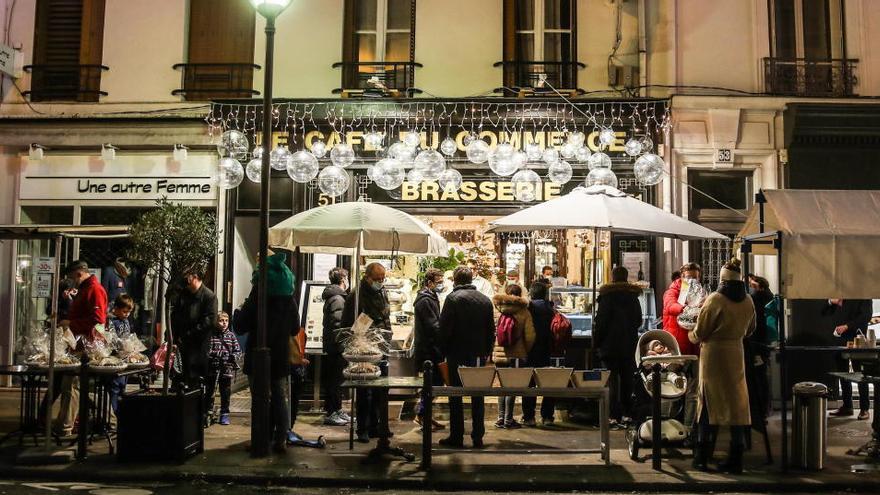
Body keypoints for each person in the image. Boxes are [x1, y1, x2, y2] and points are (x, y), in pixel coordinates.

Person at [688, 259, 756, 474]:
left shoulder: (715, 299)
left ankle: (701, 456)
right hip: (736, 354)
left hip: (714, 355)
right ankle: (736, 458)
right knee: (736, 406)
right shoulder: (747, 301)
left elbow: (700, 331)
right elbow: (751, 328)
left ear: (722, 278)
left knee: (708, 403)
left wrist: (691, 334)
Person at [237, 252, 300, 453]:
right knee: (280, 396)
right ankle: (280, 438)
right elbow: (295, 328)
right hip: (281, 353)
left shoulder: (258, 293)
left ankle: (261, 438)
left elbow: (240, 325)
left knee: (260, 397)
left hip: (258, 353)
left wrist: (238, 312)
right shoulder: (288, 295)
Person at [438, 266, 495, 448]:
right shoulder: (485, 300)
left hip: (456, 352)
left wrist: (443, 351)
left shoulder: (452, 299)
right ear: (471, 280)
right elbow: (490, 330)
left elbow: (445, 329)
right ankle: (478, 436)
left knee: (455, 394)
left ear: (455, 280)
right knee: (477, 395)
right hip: (478, 354)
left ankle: (457, 435)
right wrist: (486, 352)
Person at [54, 260, 108, 436]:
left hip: (86, 346)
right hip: (81, 344)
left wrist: (71, 323)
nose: (71, 281)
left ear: (78, 273)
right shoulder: (88, 289)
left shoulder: (94, 289)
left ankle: (65, 426)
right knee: (80, 386)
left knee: (72, 385)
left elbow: (98, 320)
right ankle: (110, 420)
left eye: (71, 277)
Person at [341, 262, 392, 443]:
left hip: (381, 347)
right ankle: (362, 428)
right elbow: (348, 324)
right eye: (377, 279)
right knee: (365, 390)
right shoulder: (357, 295)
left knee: (380, 389)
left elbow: (385, 316)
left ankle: (376, 426)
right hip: (364, 350)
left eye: (383, 278)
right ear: (367, 277)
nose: (381, 281)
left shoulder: (381, 291)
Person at [593, 265, 643, 425]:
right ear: (626, 277)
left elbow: (601, 322)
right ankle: (627, 413)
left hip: (609, 345)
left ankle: (613, 415)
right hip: (629, 344)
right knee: (628, 379)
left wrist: (597, 342)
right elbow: (638, 320)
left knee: (612, 380)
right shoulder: (633, 296)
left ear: (612, 277)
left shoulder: (607, 297)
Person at [663, 262, 702, 435]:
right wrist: (686, 308)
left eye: (695, 277)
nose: (692, 280)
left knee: (692, 393)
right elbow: (670, 306)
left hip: (694, 349)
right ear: (682, 276)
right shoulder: (673, 291)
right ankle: (669, 425)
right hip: (676, 349)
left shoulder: (701, 293)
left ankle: (688, 429)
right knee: (674, 389)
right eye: (689, 277)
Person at [492, 284, 535, 429]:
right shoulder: (524, 311)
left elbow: (491, 332)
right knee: (512, 386)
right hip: (517, 355)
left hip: (499, 354)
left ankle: (500, 417)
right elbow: (530, 336)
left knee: (501, 386)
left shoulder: (496, 310)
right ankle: (508, 419)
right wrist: (525, 350)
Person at [169, 269, 218, 392]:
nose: (185, 281)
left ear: (195, 277)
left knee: (194, 378)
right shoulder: (184, 294)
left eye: (188, 278)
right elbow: (175, 316)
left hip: (198, 345)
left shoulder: (209, 296)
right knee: (180, 375)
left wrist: (190, 333)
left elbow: (209, 321)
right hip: (183, 342)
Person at [826, 298, 873, 419]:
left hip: (857, 338)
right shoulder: (842, 292)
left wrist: (847, 326)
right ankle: (847, 406)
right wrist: (831, 301)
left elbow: (866, 316)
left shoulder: (863, 293)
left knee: (861, 374)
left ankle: (864, 408)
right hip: (840, 337)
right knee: (843, 373)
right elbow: (829, 309)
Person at [412, 268, 446, 431]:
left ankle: (425, 415)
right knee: (431, 384)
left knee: (434, 384)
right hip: (428, 350)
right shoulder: (424, 300)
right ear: (429, 282)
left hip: (432, 348)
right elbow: (433, 326)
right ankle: (421, 415)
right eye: (439, 282)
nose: (441, 285)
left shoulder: (431, 297)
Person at [521, 280, 557, 426]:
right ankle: (547, 416)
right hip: (547, 350)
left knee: (529, 383)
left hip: (529, 350)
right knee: (548, 383)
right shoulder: (550, 309)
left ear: (531, 293)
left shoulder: (527, 309)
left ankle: (529, 417)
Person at [321, 267, 350, 427]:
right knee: (335, 380)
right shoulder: (338, 298)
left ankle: (337, 409)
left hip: (333, 346)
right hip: (336, 347)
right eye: (347, 278)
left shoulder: (334, 297)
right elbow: (338, 324)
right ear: (343, 279)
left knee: (336, 380)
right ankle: (332, 412)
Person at [206, 311, 241, 426]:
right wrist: (219, 354)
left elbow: (237, 350)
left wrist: (234, 356)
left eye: (226, 321)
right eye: (221, 320)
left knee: (225, 392)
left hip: (227, 369)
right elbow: (208, 351)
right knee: (210, 391)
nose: (224, 323)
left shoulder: (231, 335)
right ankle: (208, 412)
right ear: (216, 322)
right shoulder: (211, 335)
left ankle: (224, 414)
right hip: (214, 368)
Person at [106, 294, 134, 416]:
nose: (126, 314)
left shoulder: (126, 321)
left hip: (125, 358)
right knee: (115, 387)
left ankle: (119, 413)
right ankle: (113, 413)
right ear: (116, 309)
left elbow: (127, 335)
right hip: (115, 357)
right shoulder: (112, 321)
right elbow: (112, 339)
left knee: (122, 386)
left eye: (129, 312)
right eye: (124, 312)